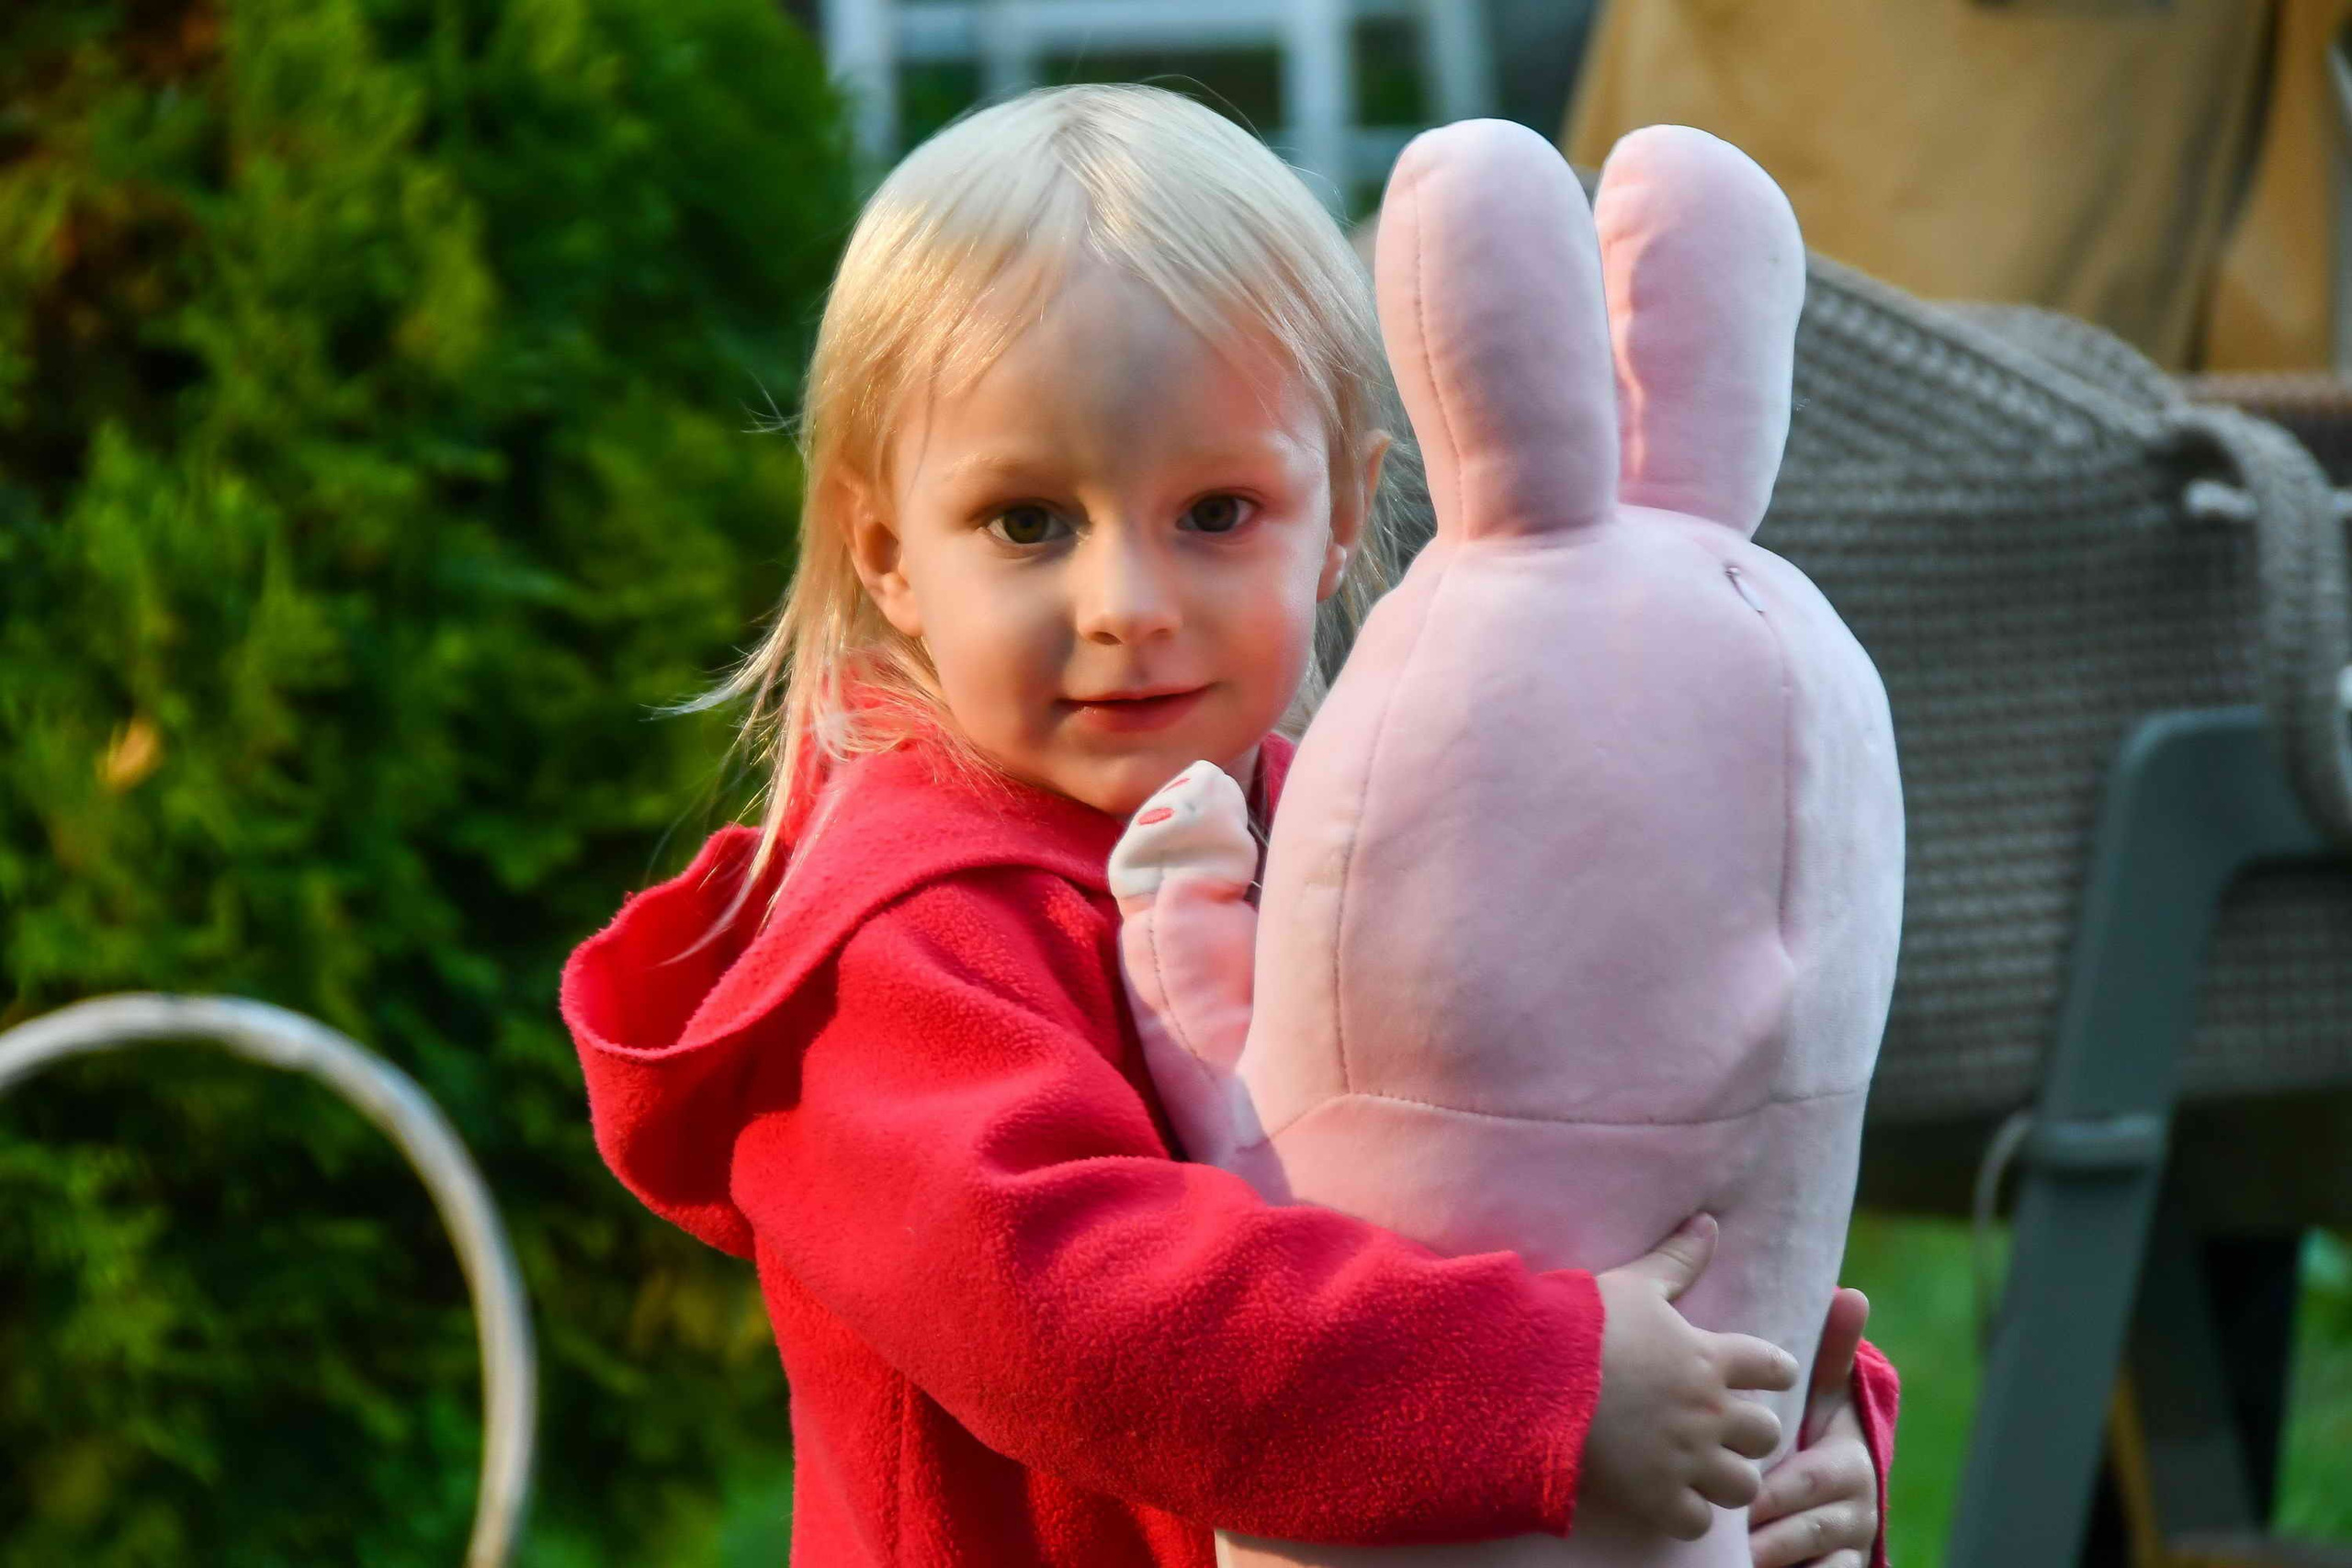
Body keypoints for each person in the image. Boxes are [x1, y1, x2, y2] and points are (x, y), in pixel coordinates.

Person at [560, 83, 1897, 1568]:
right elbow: (1060, 1308)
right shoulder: (898, 950)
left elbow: (1588, 1144)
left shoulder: (1368, 846)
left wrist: (1787, 1425)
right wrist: (1550, 1384)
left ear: (1340, 519)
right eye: (1028, 522)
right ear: (886, 552)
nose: (1126, 604)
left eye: (1214, 514)